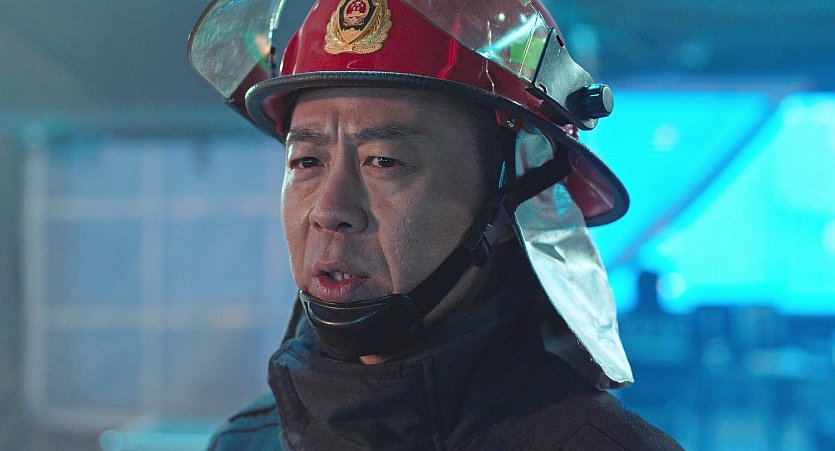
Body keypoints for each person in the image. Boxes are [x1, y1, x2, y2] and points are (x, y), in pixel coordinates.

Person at [188, 0, 683, 449]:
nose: (329, 209)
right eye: (306, 161)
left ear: (512, 198)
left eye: (384, 161)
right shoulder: (244, 443)